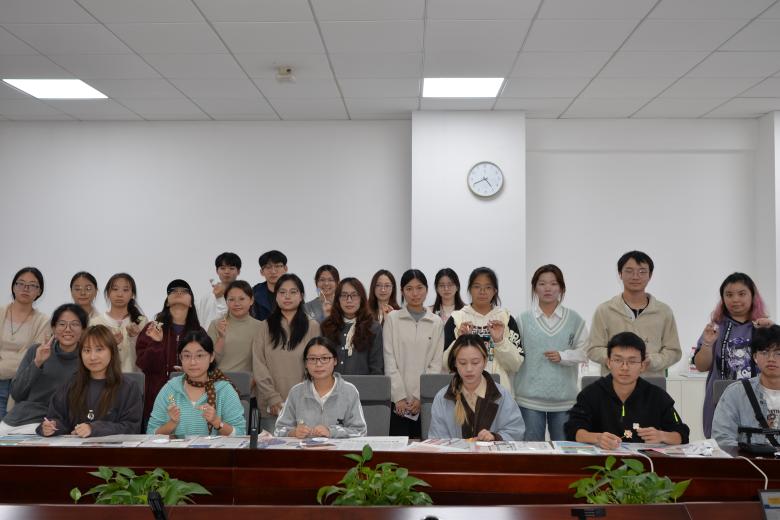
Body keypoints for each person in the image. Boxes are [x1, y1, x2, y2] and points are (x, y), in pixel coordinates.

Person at [565, 332, 689, 448]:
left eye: (632, 361)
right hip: (603, 461)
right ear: (609, 363)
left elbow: (682, 434)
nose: (624, 367)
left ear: (643, 365)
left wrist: (662, 436)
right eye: (618, 360)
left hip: (645, 461)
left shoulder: (657, 396)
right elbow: (572, 429)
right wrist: (597, 438)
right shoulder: (590, 394)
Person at [514, 264, 588, 441]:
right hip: (529, 400)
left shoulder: (575, 319)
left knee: (564, 451)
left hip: (565, 400)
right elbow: (514, 356)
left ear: (561, 288)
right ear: (534, 288)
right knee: (531, 451)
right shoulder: (522, 320)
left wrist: (564, 356)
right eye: (542, 284)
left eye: (553, 284)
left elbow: (585, 352)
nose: (548, 288)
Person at [693, 272, 772, 438]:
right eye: (729, 295)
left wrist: (772, 331)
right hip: (721, 398)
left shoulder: (764, 327)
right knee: (721, 445)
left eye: (742, 294)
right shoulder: (715, 328)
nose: (735, 299)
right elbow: (701, 366)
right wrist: (707, 343)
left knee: (761, 443)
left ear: (753, 296)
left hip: (759, 398)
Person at [588, 251, 681, 378]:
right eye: (629, 271)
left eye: (642, 272)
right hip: (614, 383)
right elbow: (593, 349)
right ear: (620, 274)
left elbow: (674, 351)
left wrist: (652, 360)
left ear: (650, 275)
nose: (635, 277)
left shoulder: (663, 312)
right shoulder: (605, 310)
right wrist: (619, 358)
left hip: (651, 383)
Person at [39, 324, 143, 437]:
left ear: (112, 351)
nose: (92, 357)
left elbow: (131, 427)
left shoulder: (128, 387)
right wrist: (51, 426)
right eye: (87, 350)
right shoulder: (72, 383)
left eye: (99, 349)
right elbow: (58, 418)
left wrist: (93, 428)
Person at [0, 304, 86, 434]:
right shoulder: (37, 351)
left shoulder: (88, 359)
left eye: (74, 324)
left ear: (83, 330)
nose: (68, 329)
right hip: (21, 420)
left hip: (55, 425)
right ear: (53, 328)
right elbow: (17, 393)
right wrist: (37, 363)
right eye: (62, 324)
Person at [253, 273, 321, 433]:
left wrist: (301, 398)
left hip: (305, 403)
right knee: (272, 447)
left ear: (301, 296)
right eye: (282, 292)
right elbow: (259, 365)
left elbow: (316, 365)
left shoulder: (312, 326)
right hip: (272, 405)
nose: (287, 296)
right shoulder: (264, 327)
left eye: (293, 292)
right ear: (276, 296)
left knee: (303, 446)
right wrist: (272, 397)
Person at [443, 267, 524, 399]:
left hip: (499, 393)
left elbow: (516, 364)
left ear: (494, 291)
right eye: (477, 287)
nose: (482, 291)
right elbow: (446, 364)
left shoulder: (505, 318)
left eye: (488, 287)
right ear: (470, 289)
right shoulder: (457, 318)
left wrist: (499, 342)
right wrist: (460, 341)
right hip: (463, 394)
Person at [147, 331, 245, 436]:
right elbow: (151, 433)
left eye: (199, 355)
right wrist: (172, 423)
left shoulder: (224, 390)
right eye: (187, 356)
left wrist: (217, 422)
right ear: (180, 358)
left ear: (211, 357)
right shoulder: (170, 388)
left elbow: (240, 434)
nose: (192, 362)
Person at [429, 334, 525, 441]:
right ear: (455, 363)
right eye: (462, 363)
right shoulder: (442, 398)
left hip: (491, 452)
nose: (469, 369)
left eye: (475, 362)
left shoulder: (502, 395)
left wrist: (494, 437)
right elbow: (437, 439)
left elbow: (516, 431)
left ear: (485, 362)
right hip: (455, 453)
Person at [383, 269, 443, 437]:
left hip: (424, 401)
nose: (415, 293)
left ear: (427, 290)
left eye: (419, 288)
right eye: (409, 289)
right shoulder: (393, 319)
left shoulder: (436, 322)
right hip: (397, 402)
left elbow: (436, 364)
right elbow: (389, 359)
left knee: (424, 446)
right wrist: (399, 396)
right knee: (397, 448)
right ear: (402, 291)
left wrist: (420, 397)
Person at [136, 279, 204, 421]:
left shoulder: (199, 332)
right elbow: (144, 364)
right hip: (157, 397)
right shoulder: (153, 328)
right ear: (167, 302)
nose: (178, 292)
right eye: (173, 291)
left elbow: (207, 365)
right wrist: (156, 343)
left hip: (191, 397)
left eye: (184, 291)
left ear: (191, 303)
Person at [274, 337, 367, 438]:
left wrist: (331, 432)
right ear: (305, 363)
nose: (318, 364)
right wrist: (294, 432)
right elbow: (279, 430)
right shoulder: (296, 392)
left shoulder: (349, 391)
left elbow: (360, 431)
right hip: (304, 448)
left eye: (325, 358)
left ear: (335, 361)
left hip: (337, 448)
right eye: (312, 359)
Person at [712, 325, 780, 447]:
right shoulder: (735, 393)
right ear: (755, 357)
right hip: (748, 459)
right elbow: (722, 439)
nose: (771, 359)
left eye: (778, 353)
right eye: (764, 352)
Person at [0, 267, 50, 419]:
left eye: (32, 285)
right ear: (13, 287)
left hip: (20, 385)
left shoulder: (43, 321)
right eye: (21, 283)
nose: (25, 288)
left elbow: (34, 357)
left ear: (39, 291)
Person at [321, 278, 384, 375]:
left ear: (361, 299)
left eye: (354, 295)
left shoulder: (373, 327)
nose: (349, 300)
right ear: (337, 299)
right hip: (333, 384)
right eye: (344, 295)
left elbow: (377, 368)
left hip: (363, 384)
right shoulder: (327, 325)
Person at [89, 273, 147, 373]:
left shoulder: (141, 321)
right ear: (108, 293)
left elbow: (146, 356)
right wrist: (110, 343)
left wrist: (134, 338)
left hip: (134, 378)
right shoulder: (95, 322)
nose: (120, 294)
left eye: (125, 290)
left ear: (132, 294)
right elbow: (91, 354)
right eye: (115, 289)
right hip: (105, 378)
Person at [207, 280, 260, 373]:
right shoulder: (216, 324)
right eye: (231, 299)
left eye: (242, 299)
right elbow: (209, 362)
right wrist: (221, 338)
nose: (237, 304)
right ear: (226, 301)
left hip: (247, 380)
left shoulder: (260, 327)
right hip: (218, 379)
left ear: (251, 300)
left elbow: (263, 362)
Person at [196, 252, 242, 327]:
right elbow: (200, 321)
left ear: (238, 271)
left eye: (231, 268)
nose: (227, 272)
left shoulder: (243, 296)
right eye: (223, 268)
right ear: (217, 271)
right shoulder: (207, 297)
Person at [252, 250, 288, 321]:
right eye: (268, 267)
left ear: (285, 268)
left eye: (277, 266)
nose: (273, 271)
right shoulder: (254, 292)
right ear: (261, 272)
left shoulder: (294, 290)